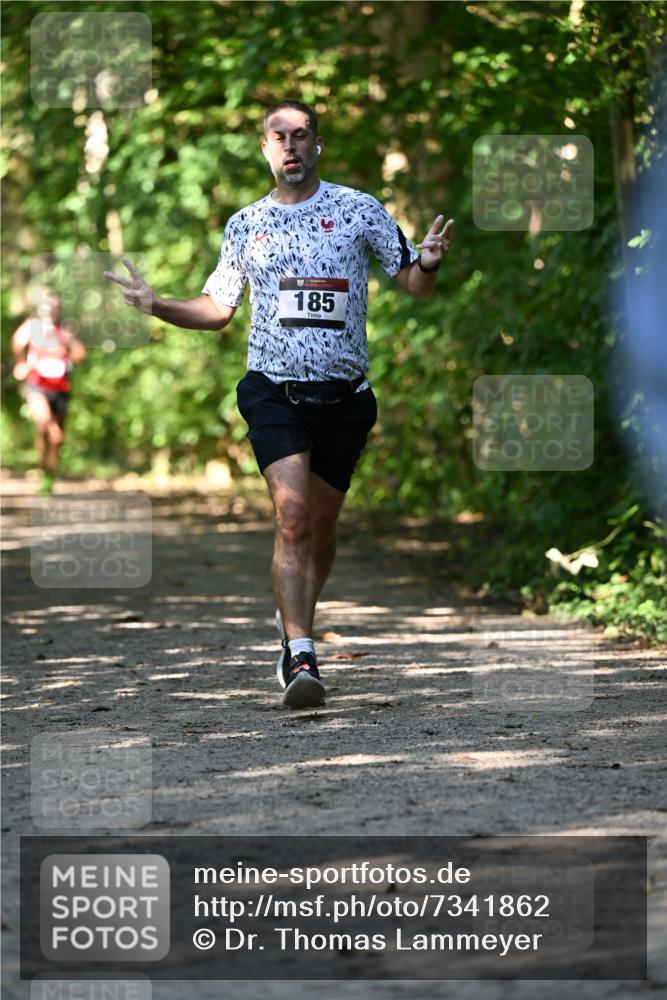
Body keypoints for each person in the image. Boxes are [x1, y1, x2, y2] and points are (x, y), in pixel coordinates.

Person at [104, 99, 453, 709]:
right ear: (265, 149)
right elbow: (217, 310)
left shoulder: (357, 210)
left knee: (320, 526)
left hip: (345, 398)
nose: (290, 146)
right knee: (291, 516)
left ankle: (297, 622)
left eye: (301, 136)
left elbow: (413, 284)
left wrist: (425, 261)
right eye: (278, 137)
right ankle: (300, 655)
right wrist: (156, 304)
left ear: (318, 145)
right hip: (273, 392)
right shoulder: (245, 225)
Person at [11, 288, 87, 495]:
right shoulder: (32, 326)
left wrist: (69, 347)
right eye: (47, 306)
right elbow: (17, 343)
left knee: (57, 439)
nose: (51, 309)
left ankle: (48, 475)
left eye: (55, 306)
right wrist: (20, 364)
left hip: (61, 388)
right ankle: (45, 470)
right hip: (37, 385)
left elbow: (81, 356)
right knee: (46, 426)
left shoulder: (65, 330)